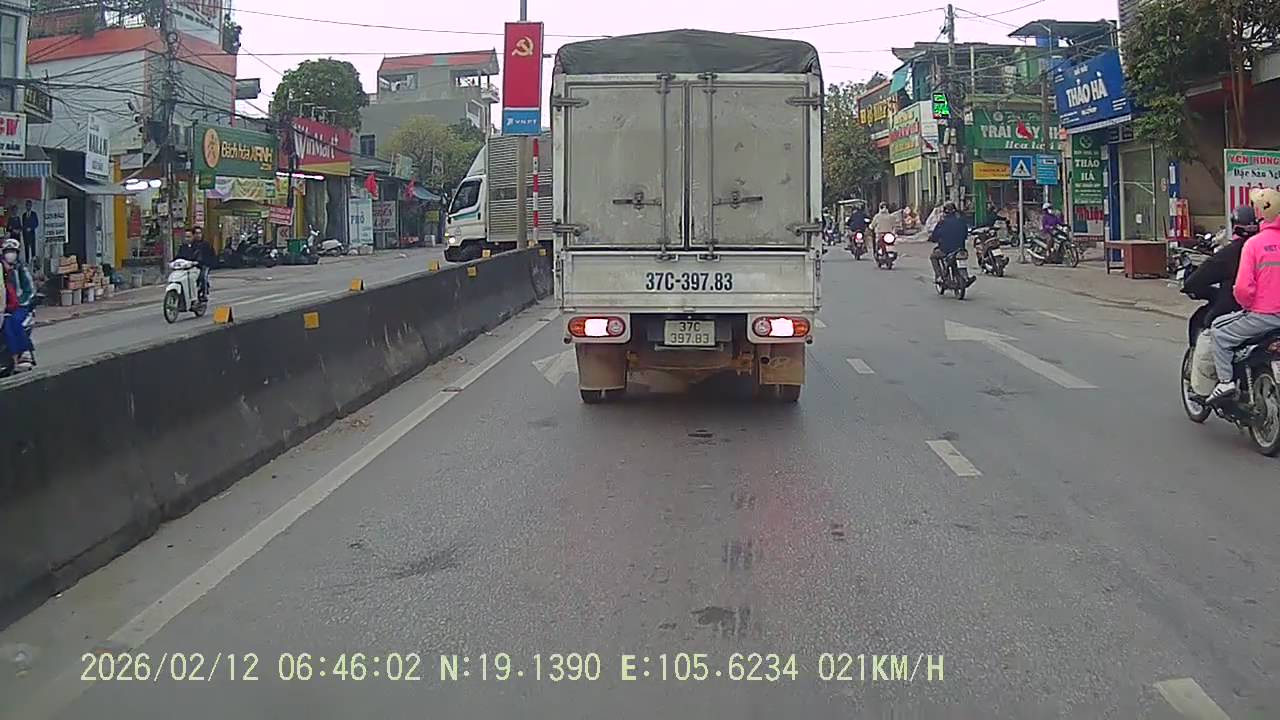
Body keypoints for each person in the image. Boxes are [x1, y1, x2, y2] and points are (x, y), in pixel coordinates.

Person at [1207, 188, 1280, 403]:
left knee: (1218, 332)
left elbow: (1243, 289)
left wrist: (1247, 306)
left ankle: (1225, 382)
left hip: (1263, 316)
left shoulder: (1254, 245)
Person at [1183, 205, 1258, 326]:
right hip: (1268, 311)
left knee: (1211, 328)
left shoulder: (1230, 253)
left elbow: (1196, 280)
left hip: (1242, 312)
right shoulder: (1270, 247)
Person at [2, 237, 36, 371]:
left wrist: (20, 302)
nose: (10, 254)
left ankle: (24, 353)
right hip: (3, 306)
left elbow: (30, 290)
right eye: (7, 251)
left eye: (12, 251)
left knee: (13, 322)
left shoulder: (21, 269)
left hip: (21, 306)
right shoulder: (2, 269)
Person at [929, 201, 976, 287]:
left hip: (946, 250)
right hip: (961, 249)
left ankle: (939, 276)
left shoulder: (942, 223)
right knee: (962, 260)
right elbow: (965, 234)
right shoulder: (961, 221)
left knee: (933, 256)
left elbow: (935, 235)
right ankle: (966, 277)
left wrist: (933, 238)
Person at [177, 225, 216, 298]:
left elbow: (211, 255)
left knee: (203, 277)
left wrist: (206, 263)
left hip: (204, 265)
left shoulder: (206, 244)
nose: (198, 235)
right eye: (196, 233)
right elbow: (181, 255)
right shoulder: (188, 245)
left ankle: (204, 293)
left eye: (200, 233)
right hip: (191, 265)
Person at [21, 200, 38, 265]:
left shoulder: (34, 214)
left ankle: (34, 263)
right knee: (26, 249)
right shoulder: (24, 215)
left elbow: (36, 224)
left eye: (29, 205)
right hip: (25, 235)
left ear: (31, 206)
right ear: (26, 206)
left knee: (33, 248)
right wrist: (24, 229)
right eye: (27, 205)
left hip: (32, 234)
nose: (28, 207)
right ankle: (27, 262)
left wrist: (31, 228)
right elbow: (23, 224)